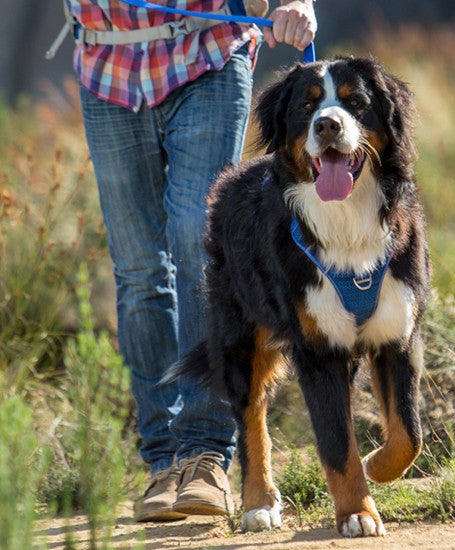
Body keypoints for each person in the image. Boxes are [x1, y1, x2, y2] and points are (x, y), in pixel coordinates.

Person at [66, 0, 316, 522]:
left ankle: (206, 455)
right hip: (105, 68)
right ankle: (162, 461)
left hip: (206, 54)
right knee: (138, 271)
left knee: (195, 246)